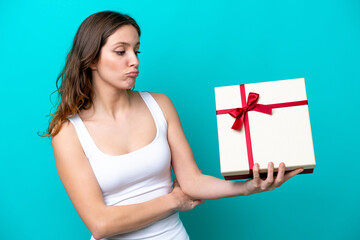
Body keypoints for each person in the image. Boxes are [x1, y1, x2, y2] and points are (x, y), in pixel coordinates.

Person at [43, 10, 304, 240]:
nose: (134, 60)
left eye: (137, 50)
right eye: (121, 51)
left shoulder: (160, 105)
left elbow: (191, 181)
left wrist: (247, 187)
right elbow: (100, 224)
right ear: (90, 59)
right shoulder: (68, 132)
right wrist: (173, 200)